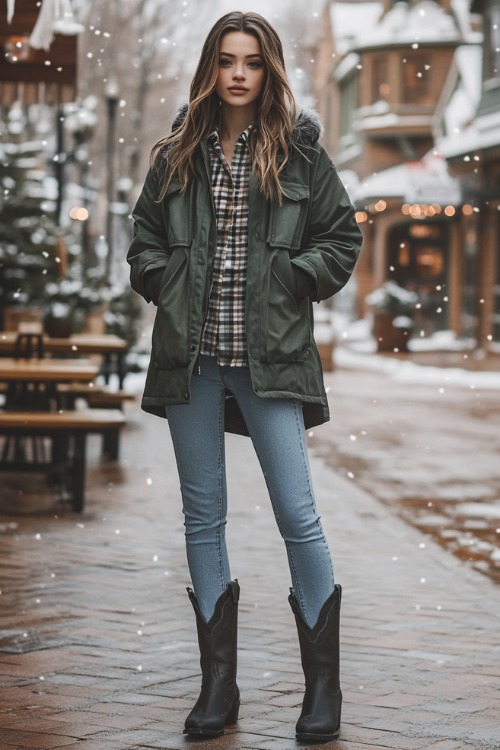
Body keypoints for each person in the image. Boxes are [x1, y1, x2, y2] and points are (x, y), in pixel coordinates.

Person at [127, 10, 362, 742]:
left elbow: (342, 237)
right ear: (210, 68)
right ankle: (217, 689)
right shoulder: (176, 154)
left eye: (252, 61)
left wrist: (294, 276)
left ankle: (323, 688)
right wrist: (168, 281)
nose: (238, 73)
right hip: (191, 360)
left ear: (269, 69)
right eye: (227, 59)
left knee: (298, 513)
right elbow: (143, 247)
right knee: (204, 517)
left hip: (272, 359)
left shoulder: (299, 155)